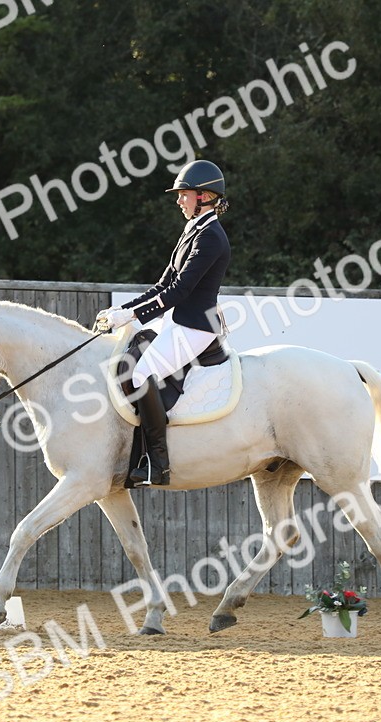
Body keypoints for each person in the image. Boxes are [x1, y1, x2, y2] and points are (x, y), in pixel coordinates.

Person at [97, 159, 232, 486]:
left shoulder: (211, 237)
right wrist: (122, 310)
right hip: (178, 321)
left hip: (196, 326)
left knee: (142, 373)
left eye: (183, 194)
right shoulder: (192, 230)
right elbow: (162, 284)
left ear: (203, 196)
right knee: (130, 354)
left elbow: (180, 290)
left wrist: (129, 315)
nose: (178, 200)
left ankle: (158, 462)